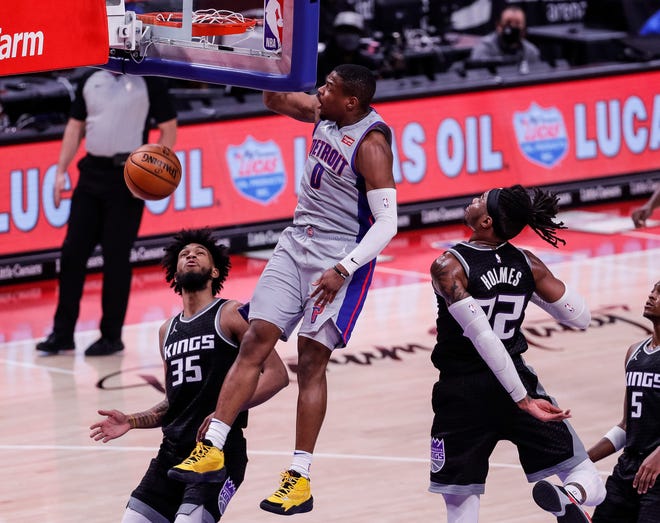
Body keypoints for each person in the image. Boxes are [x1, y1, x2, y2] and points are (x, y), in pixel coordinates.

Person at [168, 64, 398, 515]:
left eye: (329, 87)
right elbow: (274, 100)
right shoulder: (322, 113)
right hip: (296, 242)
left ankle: (299, 477)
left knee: (311, 362)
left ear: (351, 101)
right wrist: (266, 58)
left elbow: (387, 224)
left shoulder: (372, 146)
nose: (320, 90)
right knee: (254, 338)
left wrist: (343, 269)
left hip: (339, 255)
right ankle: (213, 443)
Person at [429, 185, 606, 523]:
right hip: (517, 379)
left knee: (460, 504)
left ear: (485, 221)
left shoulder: (449, 265)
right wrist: (525, 289)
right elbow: (579, 317)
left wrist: (523, 400)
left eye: (480, 199)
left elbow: (483, 337)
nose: (473, 198)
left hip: (463, 392)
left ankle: (568, 499)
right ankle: (571, 497)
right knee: (590, 482)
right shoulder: (527, 262)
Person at [89, 228, 289, 522]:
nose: (191, 255)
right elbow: (176, 402)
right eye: (184, 254)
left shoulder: (232, 314)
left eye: (199, 253)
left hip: (219, 452)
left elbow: (277, 374)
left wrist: (225, 413)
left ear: (215, 271)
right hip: (171, 455)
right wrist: (131, 420)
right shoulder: (166, 331)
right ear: (175, 271)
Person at [36, 69, 177, 356]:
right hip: (90, 174)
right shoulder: (90, 79)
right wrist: (61, 170)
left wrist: (154, 169)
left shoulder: (147, 79)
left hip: (128, 178)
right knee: (72, 255)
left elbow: (169, 127)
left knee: (116, 258)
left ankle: (112, 337)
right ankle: (62, 334)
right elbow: (75, 127)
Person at [586, 280, 660, 522]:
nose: (651, 296)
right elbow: (627, 424)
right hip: (627, 469)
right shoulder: (635, 352)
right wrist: (585, 459)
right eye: (653, 290)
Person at [316, 11, 384, 87]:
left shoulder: (367, 63)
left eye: (353, 32)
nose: (348, 37)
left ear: (360, 35)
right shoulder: (320, 61)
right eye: (343, 31)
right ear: (335, 34)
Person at [469, 6, 541, 65]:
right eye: (508, 22)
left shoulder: (530, 51)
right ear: (499, 26)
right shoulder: (484, 48)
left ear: (524, 28)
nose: (512, 26)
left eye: (517, 23)